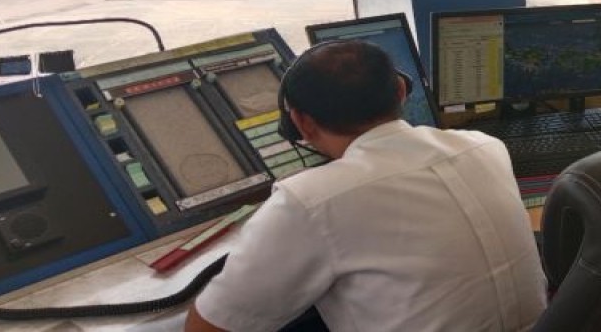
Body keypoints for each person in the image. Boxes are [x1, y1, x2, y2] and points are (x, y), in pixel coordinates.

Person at [185, 40, 546, 332]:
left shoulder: (310, 202)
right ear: (401, 90)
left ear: (300, 123)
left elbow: (210, 327)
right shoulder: (485, 146)